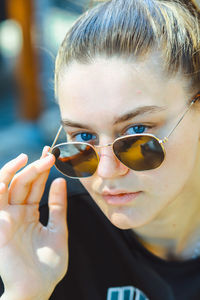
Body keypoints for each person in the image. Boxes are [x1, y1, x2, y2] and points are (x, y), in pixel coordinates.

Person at [1, 0, 200, 299]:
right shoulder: (34, 232)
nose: (105, 171)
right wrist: (24, 291)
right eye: (83, 136)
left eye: (136, 132)